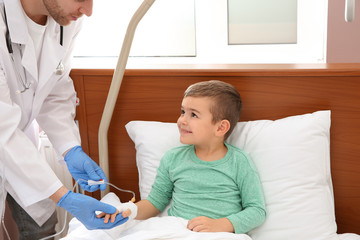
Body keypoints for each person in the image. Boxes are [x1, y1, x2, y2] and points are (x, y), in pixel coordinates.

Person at [0, 0, 127, 239]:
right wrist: (65, 197)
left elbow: (55, 90)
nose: (88, 11)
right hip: (6, 136)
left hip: (19, 141)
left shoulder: (64, 22)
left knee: (42, 224)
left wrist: (70, 149)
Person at [100, 80, 267, 234]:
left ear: (220, 127)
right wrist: (128, 211)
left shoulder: (239, 162)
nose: (181, 120)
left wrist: (221, 224)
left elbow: (256, 210)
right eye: (182, 112)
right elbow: (155, 202)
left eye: (193, 115)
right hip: (178, 230)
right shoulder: (173, 159)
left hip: (219, 234)